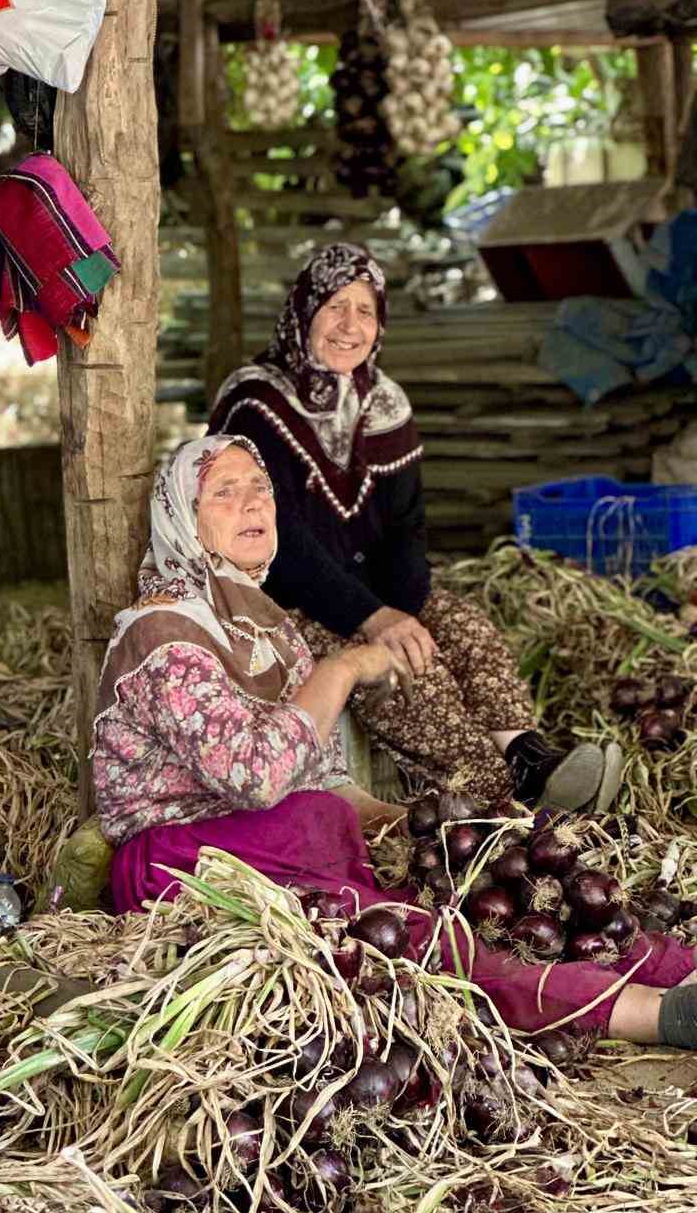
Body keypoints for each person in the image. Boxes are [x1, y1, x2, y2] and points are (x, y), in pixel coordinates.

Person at [92, 436, 697, 1049]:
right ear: (181, 519)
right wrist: (342, 669)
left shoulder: (267, 630)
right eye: (224, 492)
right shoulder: (161, 637)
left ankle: (674, 968)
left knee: (491, 886)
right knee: (417, 940)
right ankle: (645, 1014)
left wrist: (411, 822)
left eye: (261, 489)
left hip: (292, 850)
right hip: (195, 872)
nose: (252, 504)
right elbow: (257, 776)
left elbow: (323, 781)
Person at [207, 242, 622, 814]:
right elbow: (286, 547)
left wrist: (406, 610)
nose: (350, 325)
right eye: (334, 306)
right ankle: (504, 804)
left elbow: (407, 527)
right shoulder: (257, 405)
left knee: (462, 627)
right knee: (406, 672)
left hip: (371, 595)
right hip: (281, 604)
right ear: (304, 312)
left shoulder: (384, 404)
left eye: (366, 310)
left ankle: (528, 757)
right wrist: (378, 621)